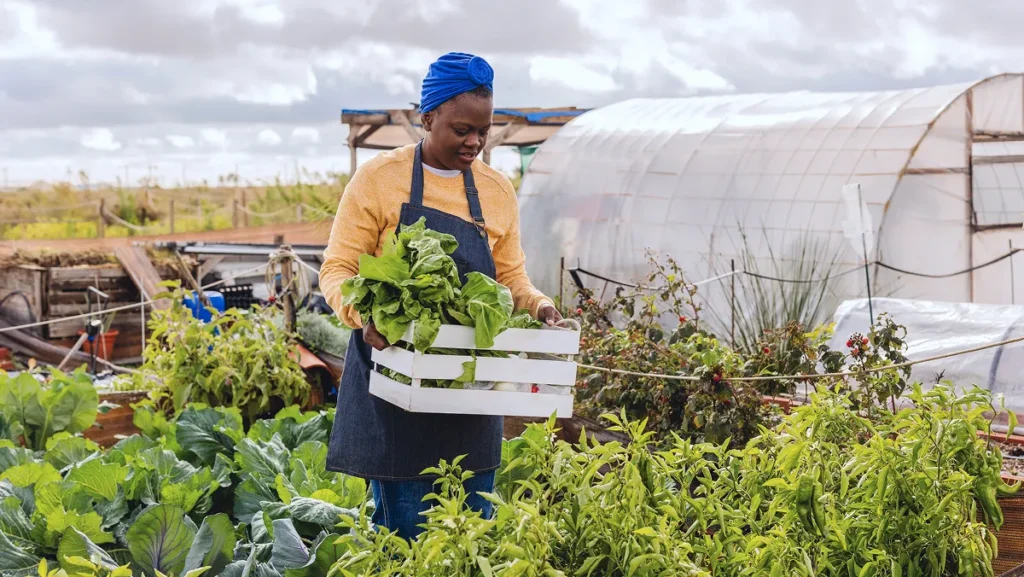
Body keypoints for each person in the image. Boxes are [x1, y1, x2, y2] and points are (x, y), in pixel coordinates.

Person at [319, 51, 562, 540]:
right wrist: (364, 314)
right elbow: (338, 269)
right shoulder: (378, 180)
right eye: (461, 130)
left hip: (469, 388)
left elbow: (510, 275)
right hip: (395, 382)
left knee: (474, 537)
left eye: (483, 131)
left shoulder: (496, 191)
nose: (474, 142)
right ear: (427, 118)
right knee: (406, 536)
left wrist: (538, 304)